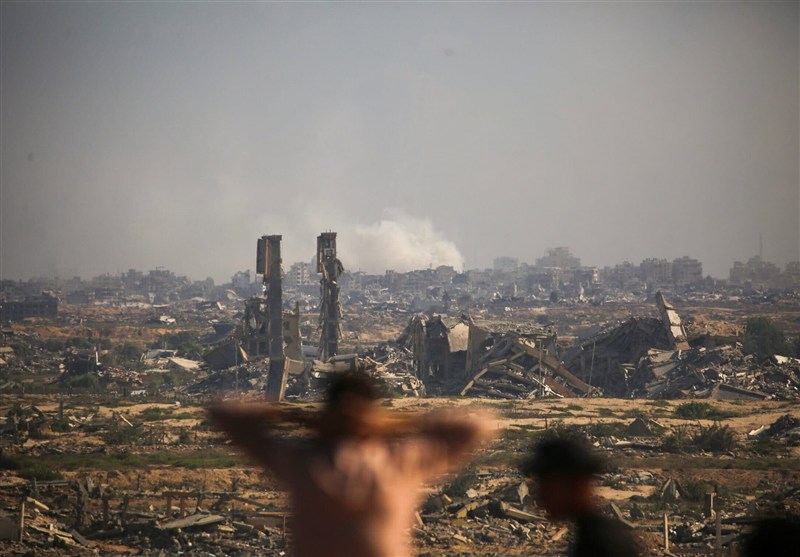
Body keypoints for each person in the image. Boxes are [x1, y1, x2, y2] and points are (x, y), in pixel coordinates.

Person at [208, 372, 494, 557]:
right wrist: (390, 422)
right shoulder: (402, 462)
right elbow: (475, 426)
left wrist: (301, 419)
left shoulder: (299, 461)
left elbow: (225, 414)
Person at [520, 436, 640, 557]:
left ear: (577, 483)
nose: (541, 496)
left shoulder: (601, 544)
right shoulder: (594, 536)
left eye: (547, 485)